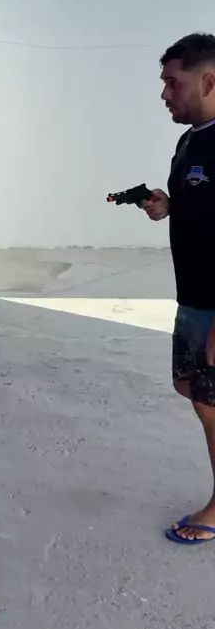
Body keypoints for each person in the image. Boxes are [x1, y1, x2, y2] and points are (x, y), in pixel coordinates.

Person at [143, 33, 215, 545]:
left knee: (212, 406)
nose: (165, 93)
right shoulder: (190, 141)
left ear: (209, 81)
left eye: (174, 83)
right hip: (192, 296)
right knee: (194, 393)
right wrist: (168, 206)